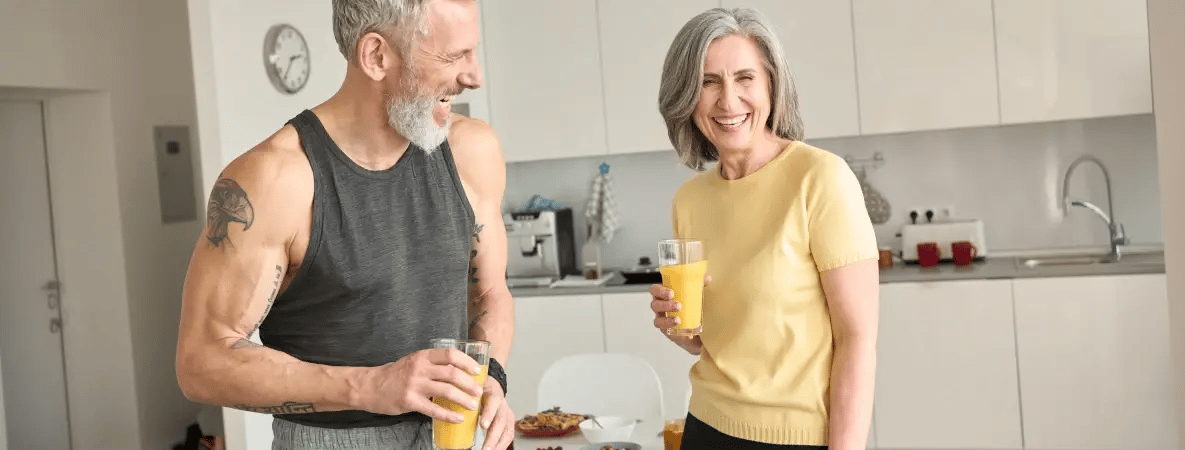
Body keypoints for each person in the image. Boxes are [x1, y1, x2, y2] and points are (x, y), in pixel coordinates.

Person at [175, 1, 516, 449]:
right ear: (377, 55)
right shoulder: (275, 179)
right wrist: (371, 386)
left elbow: (489, 292)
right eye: (454, 57)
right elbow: (201, 363)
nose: (474, 77)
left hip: (451, 436)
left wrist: (488, 376)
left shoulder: (473, 150)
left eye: (472, 53)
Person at [649, 7, 879, 450]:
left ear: (772, 84)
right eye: (708, 82)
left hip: (798, 438)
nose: (728, 101)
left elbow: (858, 339)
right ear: (686, 95)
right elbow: (711, 342)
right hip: (705, 427)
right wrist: (679, 328)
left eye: (745, 78)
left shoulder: (820, 179)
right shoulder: (690, 201)